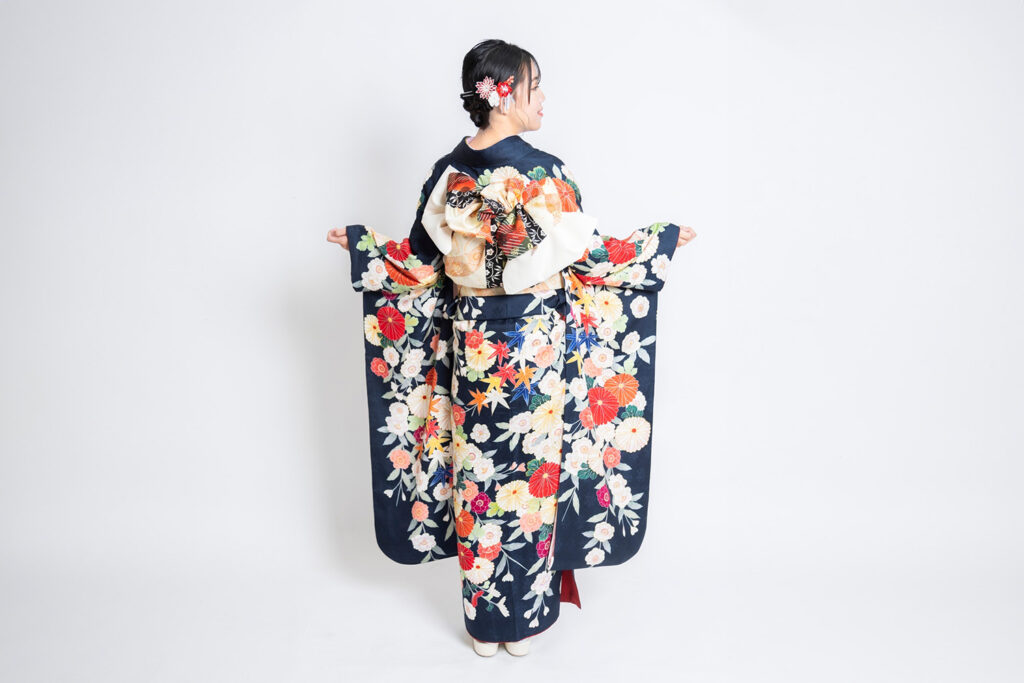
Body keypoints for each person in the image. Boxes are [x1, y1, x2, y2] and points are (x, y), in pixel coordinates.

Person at [328, 38, 697, 657]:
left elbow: (421, 263)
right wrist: (652, 245)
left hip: (488, 347)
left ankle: (498, 622)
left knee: (495, 477)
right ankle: (507, 621)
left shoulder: (458, 175)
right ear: (501, 94)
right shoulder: (532, 173)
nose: (543, 97)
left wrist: (370, 251)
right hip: (522, 347)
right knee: (513, 476)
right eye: (534, 85)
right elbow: (583, 256)